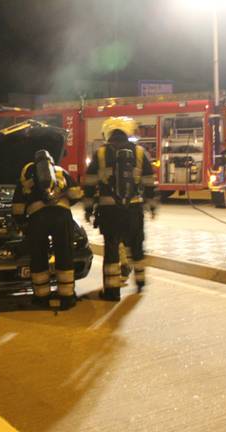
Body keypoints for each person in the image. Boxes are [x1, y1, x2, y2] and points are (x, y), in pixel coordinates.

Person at [82, 116, 157, 301]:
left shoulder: (100, 154)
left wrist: (88, 209)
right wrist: (152, 207)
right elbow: (149, 182)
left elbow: (89, 184)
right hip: (134, 210)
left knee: (112, 251)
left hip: (110, 212)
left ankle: (112, 291)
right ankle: (140, 283)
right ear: (127, 131)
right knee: (137, 246)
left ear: (108, 132)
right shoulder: (140, 152)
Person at [13, 149, 83, 310]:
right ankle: (67, 296)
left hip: (38, 219)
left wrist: (22, 222)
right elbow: (76, 194)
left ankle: (41, 296)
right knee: (65, 254)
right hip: (62, 217)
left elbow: (18, 205)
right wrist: (64, 205)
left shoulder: (27, 174)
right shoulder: (61, 172)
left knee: (38, 255)